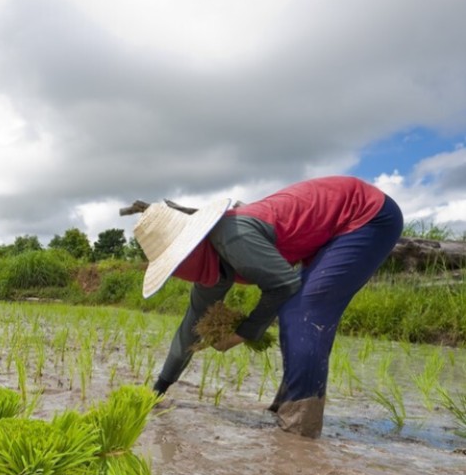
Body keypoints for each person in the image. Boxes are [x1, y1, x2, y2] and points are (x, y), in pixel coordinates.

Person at [131, 175, 403, 438]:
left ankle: (299, 431)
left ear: (192, 247)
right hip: (328, 232)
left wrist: (242, 333)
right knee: (300, 312)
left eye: (176, 265)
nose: (179, 272)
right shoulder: (210, 273)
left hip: (366, 216)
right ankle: (286, 407)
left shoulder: (233, 237)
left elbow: (284, 285)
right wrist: (159, 389)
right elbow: (189, 330)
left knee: (302, 311)